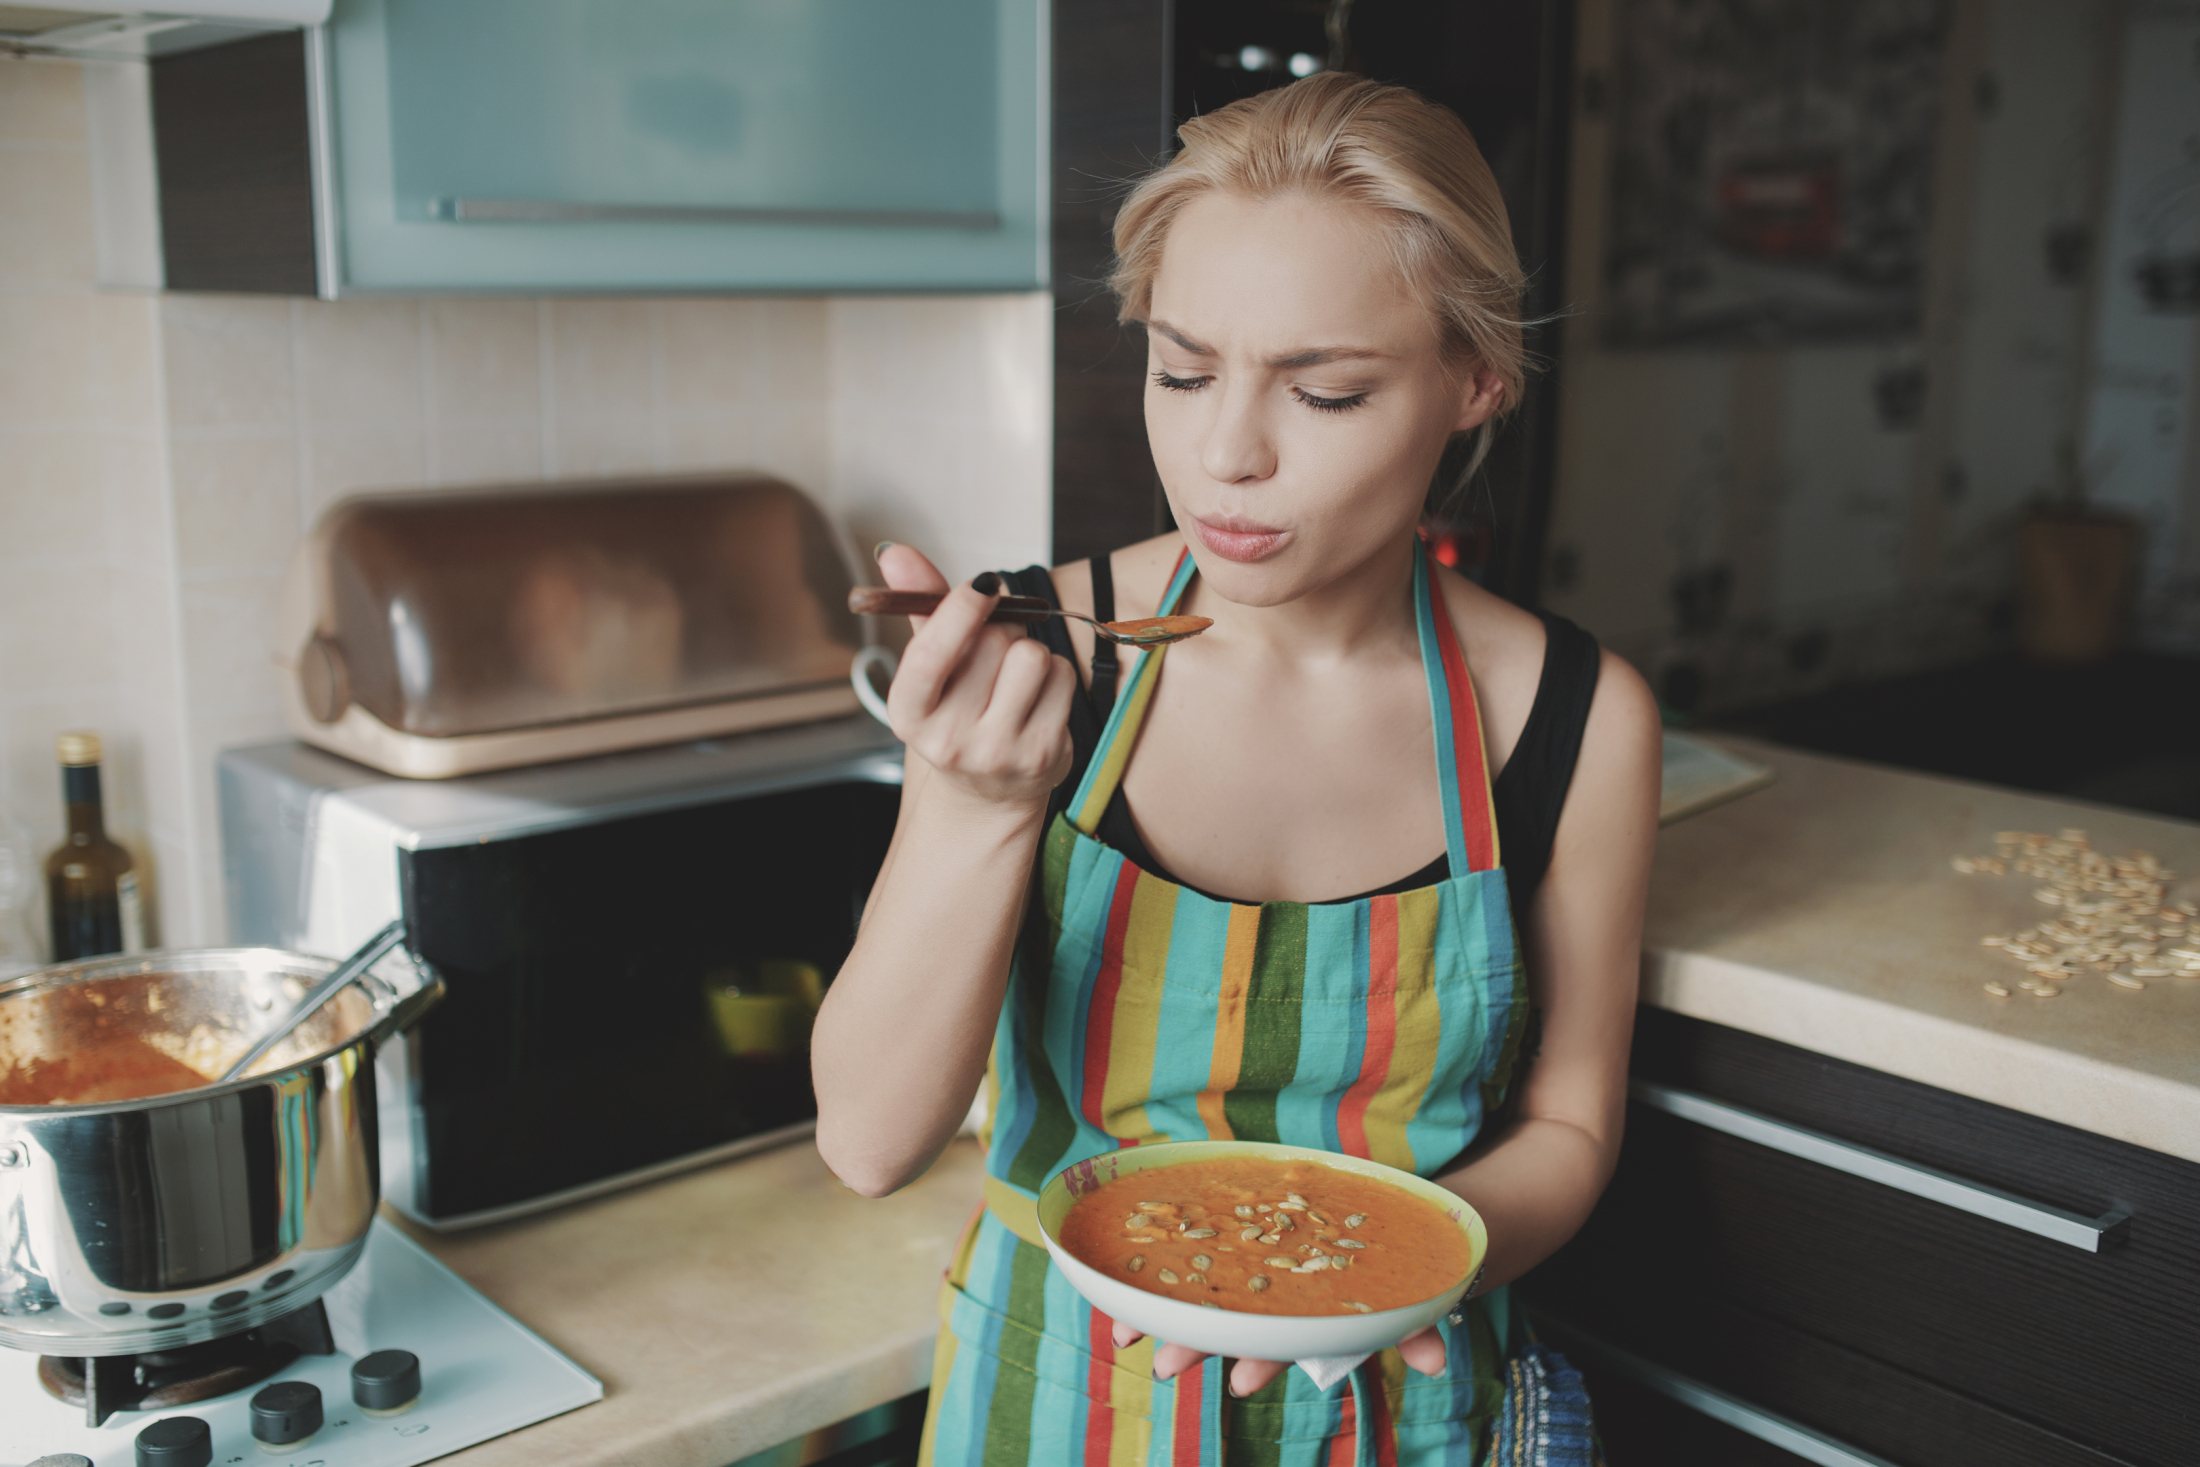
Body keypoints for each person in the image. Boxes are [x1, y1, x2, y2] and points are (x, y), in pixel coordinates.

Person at [812, 72, 1661, 1465]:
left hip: (1407, 1412)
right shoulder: (1044, 657)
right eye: (1184, 372)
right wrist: (975, 806)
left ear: (1474, 382)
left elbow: (1571, 1121)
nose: (1225, 456)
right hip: (1057, 1402)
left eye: (1325, 392)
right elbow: (867, 1141)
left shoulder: (1571, 718)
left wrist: (1390, 1274)